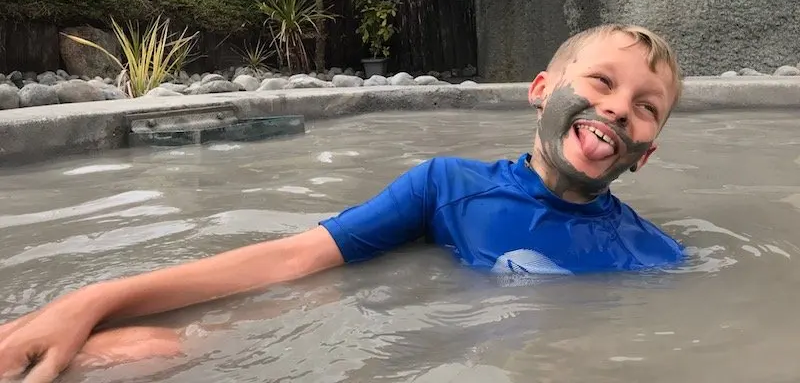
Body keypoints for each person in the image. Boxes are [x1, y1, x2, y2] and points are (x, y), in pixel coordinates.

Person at [0, 23, 685, 382]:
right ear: (541, 89)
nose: (617, 109)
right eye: (600, 81)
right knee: (139, 349)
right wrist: (87, 300)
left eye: (645, 108)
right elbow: (294, 256)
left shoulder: (655, 256)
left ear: (645, 152)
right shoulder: (448, 187)